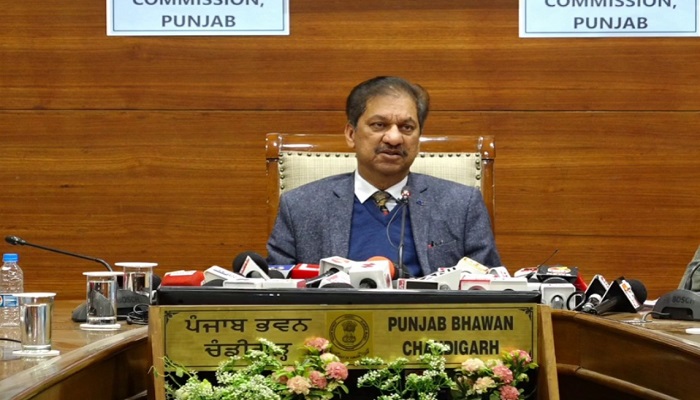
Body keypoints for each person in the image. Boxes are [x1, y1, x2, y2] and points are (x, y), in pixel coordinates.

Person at [266, 76, 501, 277]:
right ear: (351, 134)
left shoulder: (461, 204)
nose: (394, 138)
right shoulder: (300, 206)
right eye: (379, 125)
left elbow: (490, 291)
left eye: (407, 128)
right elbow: (276, 291)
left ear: (419, 138)